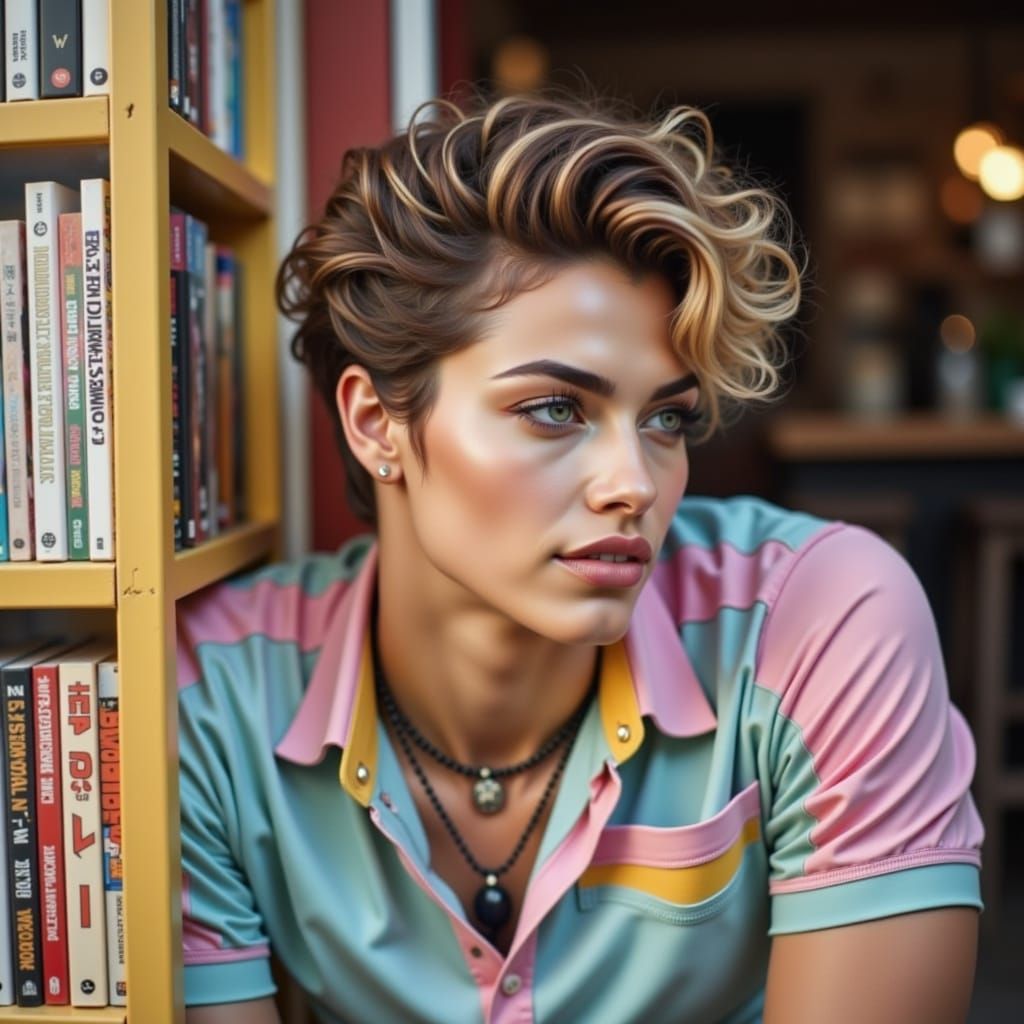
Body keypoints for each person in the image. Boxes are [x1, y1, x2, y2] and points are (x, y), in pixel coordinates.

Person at [179, 91, 984, 1024]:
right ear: (376, 423)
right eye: (556, 408)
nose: (633, 483)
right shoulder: (211, 700)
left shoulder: (823, 623)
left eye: (666, 420)